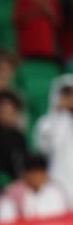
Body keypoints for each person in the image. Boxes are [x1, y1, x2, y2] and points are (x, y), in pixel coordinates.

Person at [0, 153, 68, 223]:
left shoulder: (55, 192)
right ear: (25, 174)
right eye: (33, 173)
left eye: (39, 172)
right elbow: (4, 224)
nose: (36, 177)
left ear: (45, 173)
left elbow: (63, 219)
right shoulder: (11, 196)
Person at [35, 74, 73, 206]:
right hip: (57, 181)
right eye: (66, 93)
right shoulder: (46, 123)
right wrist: (59, 113)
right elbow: (44, 148)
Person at [0, 89, 28, 186]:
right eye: (2, 110)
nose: (6, 113)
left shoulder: (19, 137)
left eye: (9, 110)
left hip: (14, 185)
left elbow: (22, 163)